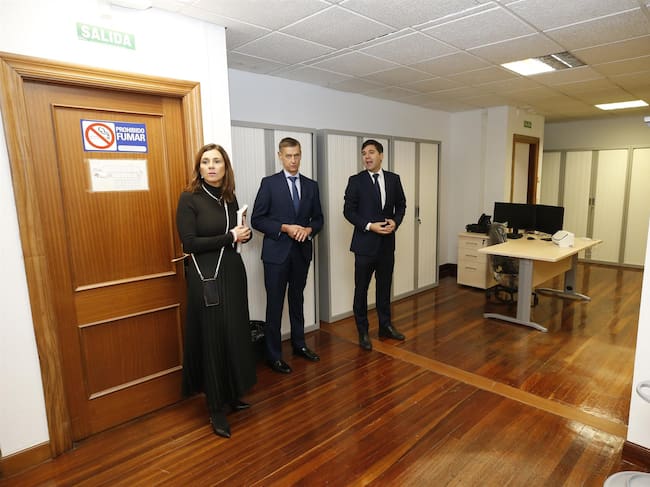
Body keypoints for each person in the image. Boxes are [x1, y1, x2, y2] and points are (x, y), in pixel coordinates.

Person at [176, 143, 256, 438]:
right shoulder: (189, 198)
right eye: (205, 162)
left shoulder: (228, 197)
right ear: (199, 168)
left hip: (232, 273)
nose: (211, 166)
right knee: (211, 338)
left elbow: (234, 236)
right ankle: (215, 407)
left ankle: (232, 392)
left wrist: (243, 235)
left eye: (217, 161)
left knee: (233, 333)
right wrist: (229, 236)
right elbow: (189, 243)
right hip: (206, 277)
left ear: (225, 167)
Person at [251, 137, 324, 374]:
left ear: (301, 155)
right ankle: (273, 356)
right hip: (276, 256)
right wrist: (284, 228)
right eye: (289, 156)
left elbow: (318, 219)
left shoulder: (311, 185)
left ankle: (299, 344)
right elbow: (257, 220)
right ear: (280, 156)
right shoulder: (269, 184)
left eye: (297, 155)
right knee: (275, 304)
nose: (293, 160)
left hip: (301, 254)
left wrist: (309, 230)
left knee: (297, 300)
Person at [343, 139, 407, 351]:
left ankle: (385, 326)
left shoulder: (393, 179)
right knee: (361, 289)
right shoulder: (356, 181)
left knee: (384, 288)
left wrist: (395, 221)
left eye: (371, 152)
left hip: (387, 245)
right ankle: (363, 331)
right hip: (364, 246)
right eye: (364, 153)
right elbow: (348, 211)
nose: (367, 157)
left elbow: (401, 205)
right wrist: (369, 226)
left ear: (381, 155)